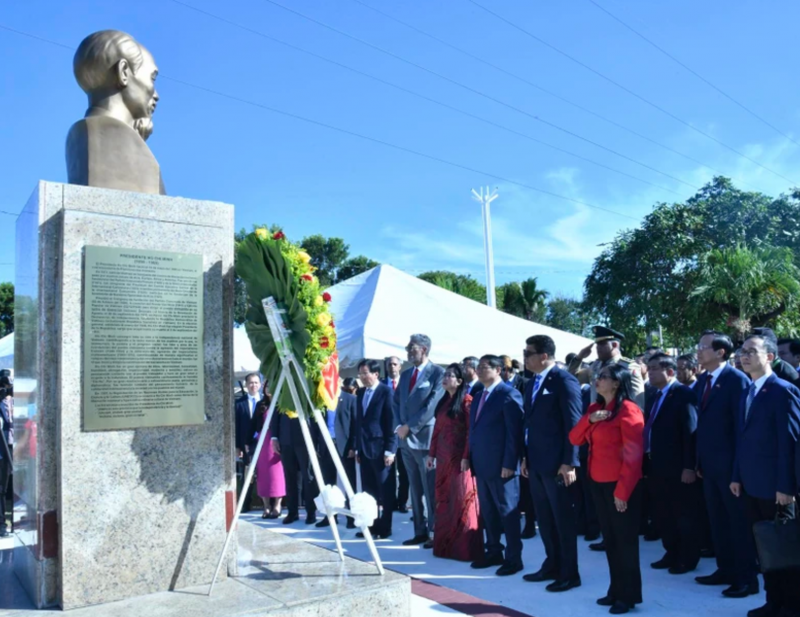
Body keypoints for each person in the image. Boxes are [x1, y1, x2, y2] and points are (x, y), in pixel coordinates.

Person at [731, 333, 800, 617]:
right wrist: (736, 475)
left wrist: (787, 486)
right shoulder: (748, 390)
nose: (744, 356)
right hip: (750, 484)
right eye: (742, 351)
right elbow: (742, 439)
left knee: (785, 547)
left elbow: (791, 442)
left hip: (776, 487)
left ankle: (792, 605)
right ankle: (773, 602)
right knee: (765, 546)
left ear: (769, 356)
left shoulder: (783, 390)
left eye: (751, 351)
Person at [569, 363, 644, 615]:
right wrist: (589, 419)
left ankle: (628, 594)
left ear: (616, 383)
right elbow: (574, 438)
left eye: (603, 377)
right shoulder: (595, 409)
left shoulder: (628, 410)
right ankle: (616, 590)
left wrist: (622, 492)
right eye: (597, 377)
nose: (597, 380)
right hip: (597, 482)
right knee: (610, 541)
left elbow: (633, 458)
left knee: (625, 542)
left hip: (619, 485)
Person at [694, 330, 757, 598]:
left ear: (720, 352)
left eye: (704, 347)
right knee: (718, 522)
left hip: (731, 469)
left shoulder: (736, 381)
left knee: (737, 524)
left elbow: (741, 429)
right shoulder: (703, 381)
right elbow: (701, 426)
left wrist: (737, 472)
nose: (698, 351)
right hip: (709, 468)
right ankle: (725, 569)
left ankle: (746, 578)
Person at [521, 335, 583, 592]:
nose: (524, 357)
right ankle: (552, 564)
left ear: (543, 356)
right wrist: (525, 456)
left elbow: (574, 423)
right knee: (544, 520)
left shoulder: (563, 380)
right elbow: (529, 423)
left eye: (528, 353)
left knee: (562, 521)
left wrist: (569, 462)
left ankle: (569, 573)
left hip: (557, 464)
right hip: (536, 462)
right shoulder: (533, 382)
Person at [468, 355, 525, 576]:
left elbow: (514, 433)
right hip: (482, 464)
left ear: (498, 370)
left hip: (503, 466)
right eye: (478, 368)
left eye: (485, 367)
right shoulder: (479, 395)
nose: (480, 371)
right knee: (489, 512)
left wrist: (510, 463)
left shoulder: (509, 394)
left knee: (507, 512)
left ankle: (514, 558)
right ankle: (493, 551)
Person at [644, 353, 700, 575]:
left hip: (678, 467)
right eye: (648, 368)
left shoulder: (683, 394)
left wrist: (689, 466)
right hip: (656, 465)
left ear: (669, 371)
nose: (649, 372)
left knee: (683, 514)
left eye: (654, 368)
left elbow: (690, 432)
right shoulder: (654, 395)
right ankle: (671, 551)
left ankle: (687, 557)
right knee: (663, 513)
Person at [426, 363, 483, 561]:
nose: (445, 378)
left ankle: (465, 549)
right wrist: (431, 454)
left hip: (460, 461)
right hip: (442, 460)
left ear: (459, 381)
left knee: (462, 502)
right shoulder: (443, 403)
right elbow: (437, 431)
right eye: (445, 375)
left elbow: (471, 432)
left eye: (449, 375)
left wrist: (467, 457)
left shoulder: (467, 402)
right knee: (444, 502)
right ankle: (445, 546)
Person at [393, 334, 444, 546]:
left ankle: (434, 531)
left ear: (423, 349)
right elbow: (396, 403)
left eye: (411, 347)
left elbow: (431, 406)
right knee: (414, 488)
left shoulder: (437, 373)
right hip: (405, 440)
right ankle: (419, 531)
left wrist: (410, 426)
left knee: (429, 488)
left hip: (424, 440)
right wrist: (399, 427)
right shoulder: (405, 375)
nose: (408, 350)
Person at [352, 360, 397, 539]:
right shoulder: (361, 392)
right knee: (369, 491)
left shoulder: (386, 392)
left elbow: (391, 422)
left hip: (380, 449)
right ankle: (371, 525)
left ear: (376, 374)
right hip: (364, 449)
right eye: (360, 373)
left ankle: (385, 527)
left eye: (365, 373)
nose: (362, 377)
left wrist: (390, 450)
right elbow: (358, 423)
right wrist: (357, 448)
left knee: (384, 491)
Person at [569, 326, 645, 410]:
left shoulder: (627, 367)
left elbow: (638, 403)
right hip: (594, 418)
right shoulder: (596, 366)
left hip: (616, 420)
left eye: (602, 344)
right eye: (597, 344)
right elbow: (571, 379)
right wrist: (579, 358)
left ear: (614, 345)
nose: (597, 348)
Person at [271, 408, 317, 525]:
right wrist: (274, 437)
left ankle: (311, 512)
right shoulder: (283, 390)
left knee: (308, 477)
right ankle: (292, 512)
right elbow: (276, 413)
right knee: (290, 477)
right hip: (286, 440)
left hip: (305, 440)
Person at [251, 383, 285, 519]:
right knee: (263, 474)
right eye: (267, 387)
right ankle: (266, 506)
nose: (269, 389)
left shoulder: (282, 403)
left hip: (278, 443)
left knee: (278, 474)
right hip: (263, 443)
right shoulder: (260, 405)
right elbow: (253, 424)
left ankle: (277, 505)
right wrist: (247, 443)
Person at [384, 357, 409, 514]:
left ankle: (402, 501)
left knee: (405, 472)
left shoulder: (406, 383)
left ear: (400, 366)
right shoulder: (380, 384)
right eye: (389, 364)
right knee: (388, 472)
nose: (392, 367)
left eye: (395, 364)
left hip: (403, 434)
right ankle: (389, 501)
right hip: (386, 435)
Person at [235, 373, 262, 511]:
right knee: (248, 474)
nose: (254, 385)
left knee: (264, 472)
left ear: (260, 385)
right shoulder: (239, 404)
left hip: (264, 443)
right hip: (247, 444)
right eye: (251, 383)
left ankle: (267, 503)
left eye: (256, 382)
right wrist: (237, 446)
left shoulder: (266, 401)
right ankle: (246, 503)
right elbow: (236, 426)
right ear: (246, 385)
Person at [338, 378, 359, 528]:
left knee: (349, 482)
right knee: (326, 481)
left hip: (346, 447)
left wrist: (353, 446)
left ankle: (351, 516)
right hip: (326, 446)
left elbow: (355, 425)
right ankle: (328, 516)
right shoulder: (321, 400)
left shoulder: (350, 399)